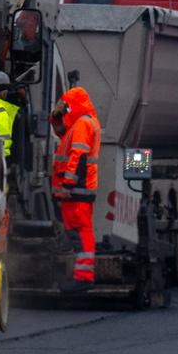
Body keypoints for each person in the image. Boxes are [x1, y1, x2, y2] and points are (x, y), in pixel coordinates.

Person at [50, 86, 102, 291]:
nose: (66, 111)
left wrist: (68, 184)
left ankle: (84, 276)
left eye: (67, 107)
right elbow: (60, 130)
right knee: (76, 231)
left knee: (81, 230)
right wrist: (56, 116)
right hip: (75, 189)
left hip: (77, 189)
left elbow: (78, 155)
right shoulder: (79, 123)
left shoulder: (83, 124)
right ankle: (81, 275)